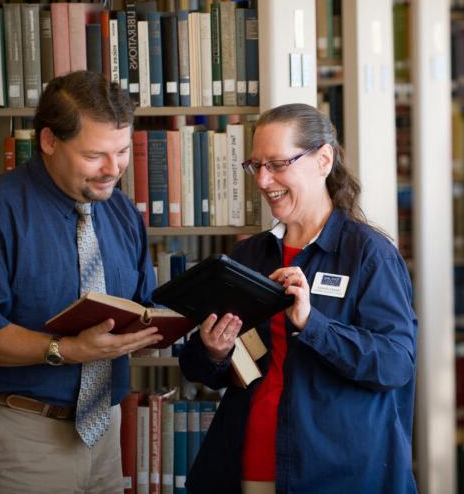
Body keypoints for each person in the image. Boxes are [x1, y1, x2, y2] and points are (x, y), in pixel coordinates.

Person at [179, 103, 418, 494]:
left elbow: (395, 364)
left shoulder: (368, 254)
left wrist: (313, 323)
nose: (262, 180)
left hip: (337, 473)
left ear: (323, 160)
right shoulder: (249, 256)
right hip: (249, 463)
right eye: (256, 165)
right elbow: (202, 369)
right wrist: (214, 351)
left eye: (277, 164)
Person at [0, 70, 163, 494]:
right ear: (48, 142)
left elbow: (141, 305)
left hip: (104, 432)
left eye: (121, 152)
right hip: (12, 433)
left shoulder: (119, 211)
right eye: (95, 155)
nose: (113, 169)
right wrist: (67, 350)